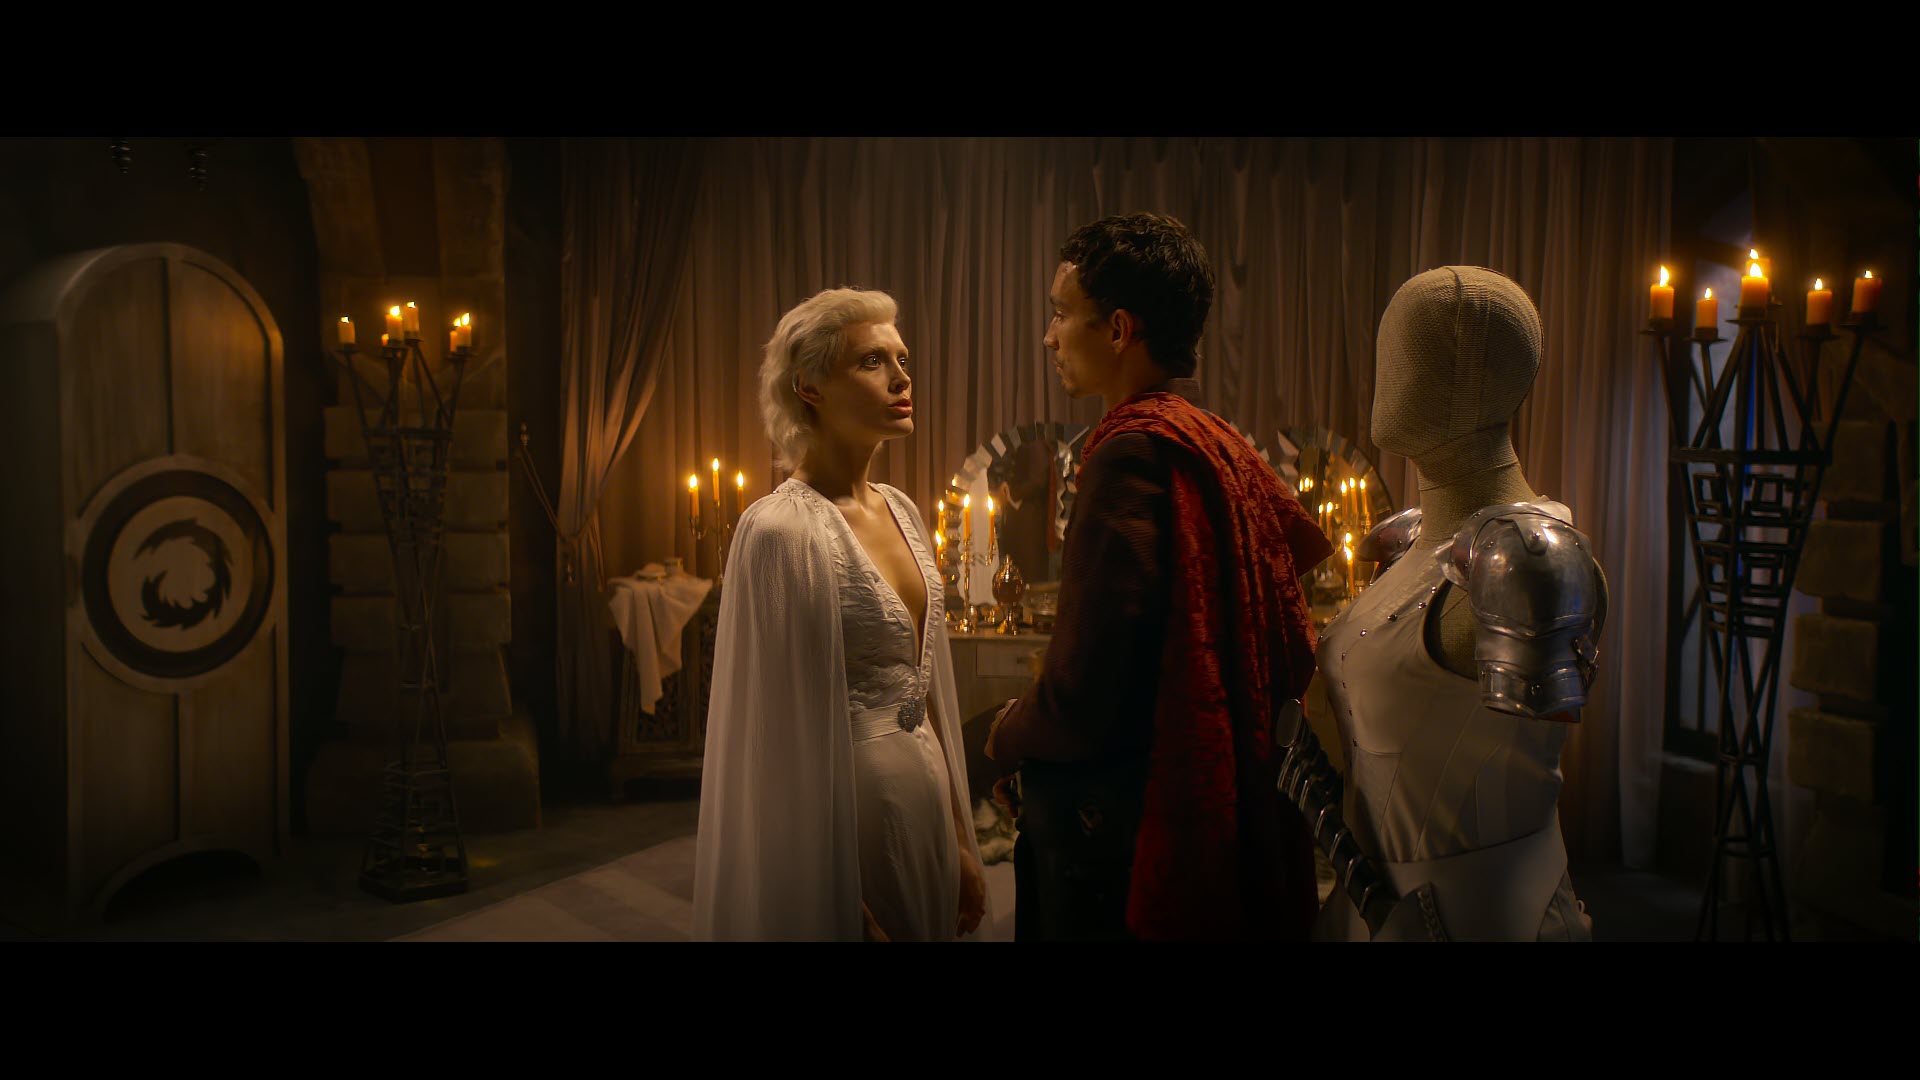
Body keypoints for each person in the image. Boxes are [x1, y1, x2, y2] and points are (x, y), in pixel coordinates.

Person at [986, 213, 1331, 940]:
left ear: (1118, 330)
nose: (1048, 337)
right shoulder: (1212, 434)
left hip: (1127, 829)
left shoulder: (1130, 451)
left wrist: (1003, 733)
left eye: (1060, 314)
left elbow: (1086, 689)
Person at [1312, 266, 1603, 941]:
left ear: (1472, 381)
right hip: (1374, 910)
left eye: (1410, 352)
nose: (1385, 374)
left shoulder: (1526, 563)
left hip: (1486, 920)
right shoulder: (1410, 545)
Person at [692, 287, 991, 941]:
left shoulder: (902, 510)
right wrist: (829, 895)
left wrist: (959, 837)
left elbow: (923, 689)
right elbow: (768, 737)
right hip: (847, 823)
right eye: (872, 361)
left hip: (926, 800)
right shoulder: (780, 530)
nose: (902, 377)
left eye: (902, 358)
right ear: (810, 386)